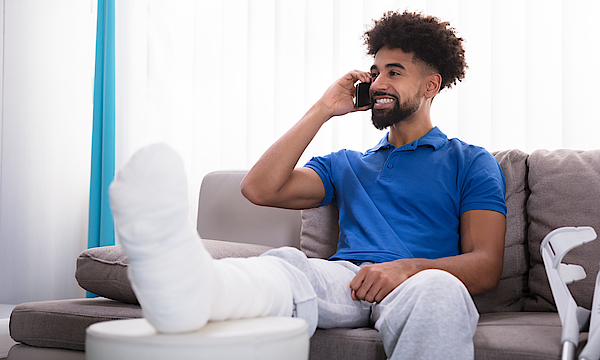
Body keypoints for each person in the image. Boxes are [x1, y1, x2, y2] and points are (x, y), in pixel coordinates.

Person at [109, 10, 507, 360]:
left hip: (420, 283)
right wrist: (324, 109)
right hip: (346, 280)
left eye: (394, 72)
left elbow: (486, 266)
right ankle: (193, 290)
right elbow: (259, 189)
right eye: (376, 72)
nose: (379, 82)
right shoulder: (346, 164)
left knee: (439, 291)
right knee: (288, 268)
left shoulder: (470, 161)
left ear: (430, 86)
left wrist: (407, 269)